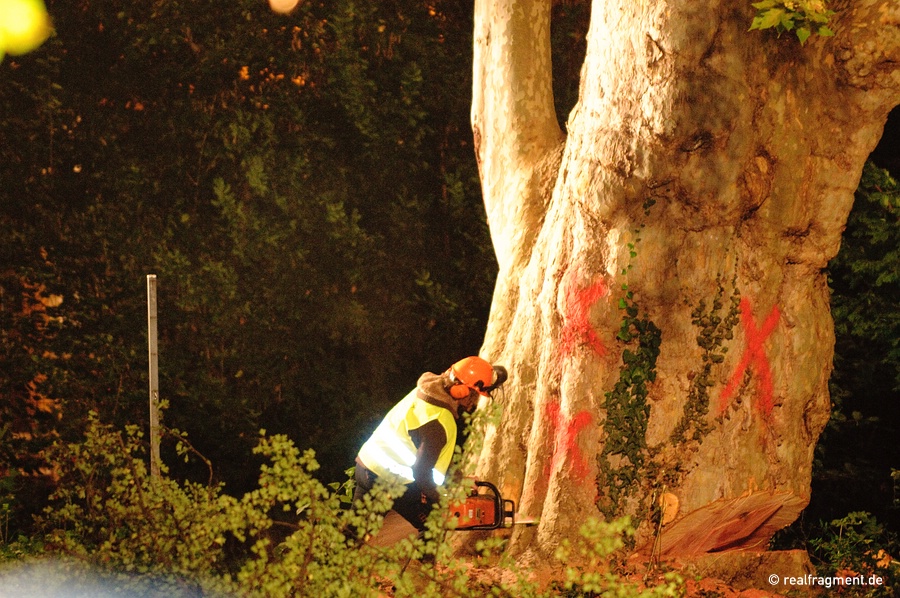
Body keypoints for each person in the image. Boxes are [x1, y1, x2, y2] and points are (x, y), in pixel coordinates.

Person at [353, 356, 507, 545]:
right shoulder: (439, 421)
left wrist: (459, 481)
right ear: (462, 390)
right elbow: (422, 472)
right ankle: (421, 573)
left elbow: (433, 458)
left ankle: (321, 570)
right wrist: (441, 500)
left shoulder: (426, 391)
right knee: (435, 521)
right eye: (474, 395)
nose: (474, 403)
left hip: (367, 465)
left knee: (353, 535)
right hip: (387, 480)